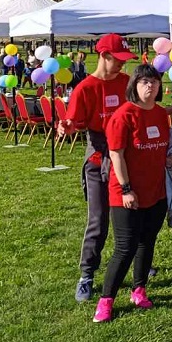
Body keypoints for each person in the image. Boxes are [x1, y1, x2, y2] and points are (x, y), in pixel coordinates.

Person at [61, 33, 138, 302]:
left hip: (126, 159)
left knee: (131, 215)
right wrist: (67, 127)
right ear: (104, 56)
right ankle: (87, 274)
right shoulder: (86, 88)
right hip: (98, 160)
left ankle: (138, 268)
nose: (122, 65)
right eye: (118, 59)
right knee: (98, 220)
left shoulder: (126, 83)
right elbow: (74, 123)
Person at [92, 64, 171, 322]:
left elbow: (160, 141)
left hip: (155, 192)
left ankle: (139, 289)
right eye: (144, 81)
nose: (150, 86)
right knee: (124, 248)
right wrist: (126, 189)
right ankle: (106, 300)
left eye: (155, 81)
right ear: (134, 86)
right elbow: (116, 154)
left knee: (147, 243)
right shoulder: (124, 115)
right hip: (126, 194)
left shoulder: (160, 113)